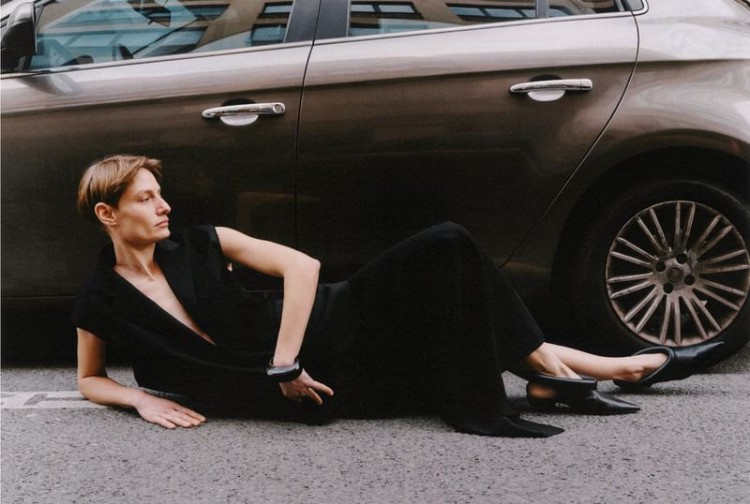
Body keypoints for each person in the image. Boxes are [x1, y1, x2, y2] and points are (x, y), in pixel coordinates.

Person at [73, 155, 724, 438]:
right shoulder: (102, 297)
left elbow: (302, 268)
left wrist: (284, 362)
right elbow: (89, 378)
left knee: (447, 244)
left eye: (160, 193)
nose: (165, 205)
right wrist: (139, 398)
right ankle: (588, 372)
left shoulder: (201, 241)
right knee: (456, 321)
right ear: (109, 213)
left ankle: (601, 370)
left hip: (330, 323)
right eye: (147, 198)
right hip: (324, 380)